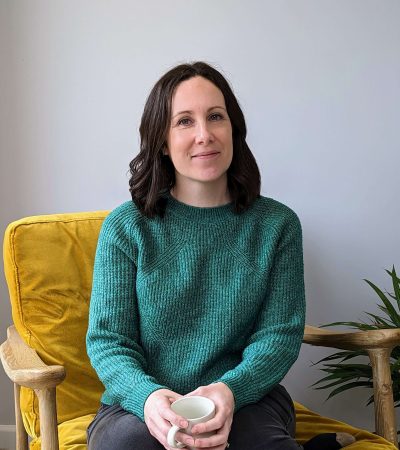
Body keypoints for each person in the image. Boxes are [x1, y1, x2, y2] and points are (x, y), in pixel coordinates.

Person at [86, 62, 354, 450]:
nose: (204, 135)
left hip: (246, 399)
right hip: (139, 405)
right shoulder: (126, 227)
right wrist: (148, 398)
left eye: (215, 117)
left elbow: (278, 336)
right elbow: (109, 341)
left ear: (234, 129)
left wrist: (230, 390)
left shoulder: (277, 225)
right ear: (162, 140)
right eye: (184, 121)